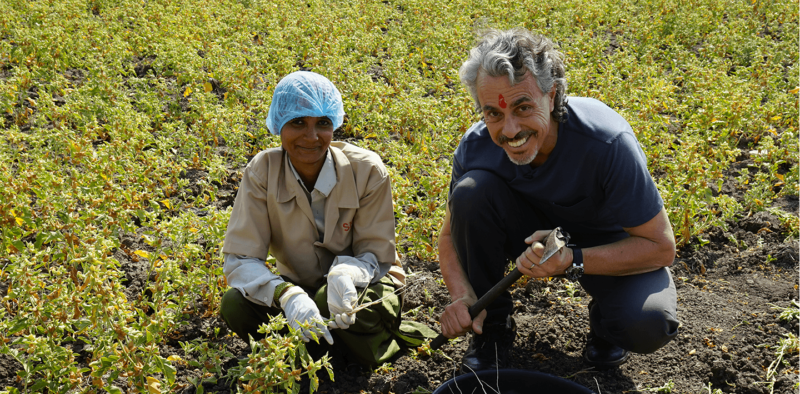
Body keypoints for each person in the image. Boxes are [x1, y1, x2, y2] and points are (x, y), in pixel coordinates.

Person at [438, 29, 679, 373]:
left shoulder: (606, 143)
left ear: (552, 96)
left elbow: (660, 247)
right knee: (470, 193)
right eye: (492, 113)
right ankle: (492, 329)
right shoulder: (476, 147)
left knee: (646, 323)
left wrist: (571, 259)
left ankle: (606, 323)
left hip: (606, 243)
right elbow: (449, 235)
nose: (509, 130)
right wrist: (463, 295)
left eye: (523, 107)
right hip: (523, 229)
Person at [220, 71, 434, 367]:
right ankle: (320, 354)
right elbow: (241, 259)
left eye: (322, 123)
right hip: (303, 287)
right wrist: (287, 294)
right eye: (297, 123)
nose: (311, 137)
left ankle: (352, 353)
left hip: (370, 282)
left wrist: (346, 274)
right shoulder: (262, 172)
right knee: (235, 305)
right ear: (278, 125)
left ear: (334, 124)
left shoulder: (367, 171)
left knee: (327, 300)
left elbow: (376, 254)